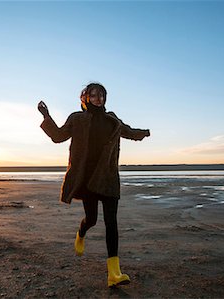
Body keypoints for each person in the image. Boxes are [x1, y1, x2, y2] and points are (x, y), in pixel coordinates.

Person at [37, 82, 150, 288]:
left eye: (101, 95)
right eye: (94, 95)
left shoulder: (112, 120)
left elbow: (129, 131)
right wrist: (46, 116)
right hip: (87, 179)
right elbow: (58, 136)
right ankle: (81, 233)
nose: (98, 98)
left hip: (107, 177)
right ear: (86, 98)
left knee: (111, 223)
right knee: (92, 219)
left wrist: (144, 132)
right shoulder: (77, 119)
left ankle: (114, 274)